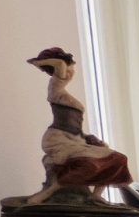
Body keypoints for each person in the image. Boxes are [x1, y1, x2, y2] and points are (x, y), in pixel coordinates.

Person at [25, 48, 132, 202]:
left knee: (118, 158)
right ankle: (49, 192)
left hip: (76, 139)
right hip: (60, 139)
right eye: (67, 70)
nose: (70, 74)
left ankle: (96, 195)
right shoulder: (56, 91)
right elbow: (60, 65)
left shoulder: (64, 93)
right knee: (87, 164)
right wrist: (40, 62)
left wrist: (87, 137)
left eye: (71, 70)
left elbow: (75, 124)